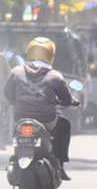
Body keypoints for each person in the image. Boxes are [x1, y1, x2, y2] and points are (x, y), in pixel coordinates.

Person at [4, 37, 77, 180]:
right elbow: (66, 101)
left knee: (16, 133)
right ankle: (60, 164)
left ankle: (16, 156)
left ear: (29, 52)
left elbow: (7, 94)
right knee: (64, 125)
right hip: (47, 121)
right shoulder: (55, 76)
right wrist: (72, 102)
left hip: (20, 120)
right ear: (50, 55)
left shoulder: (16, 72)